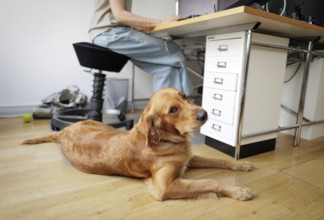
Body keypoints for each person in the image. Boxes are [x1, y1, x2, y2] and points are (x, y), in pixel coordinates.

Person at [88, 0, 193, 95]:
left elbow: (120, 17)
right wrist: (160, 23)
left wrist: (138, 26)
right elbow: (120, 16)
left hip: (107, 34)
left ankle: (163, 112)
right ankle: (185, 101)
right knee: (173, 51)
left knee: (166, 67)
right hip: (110, 33)